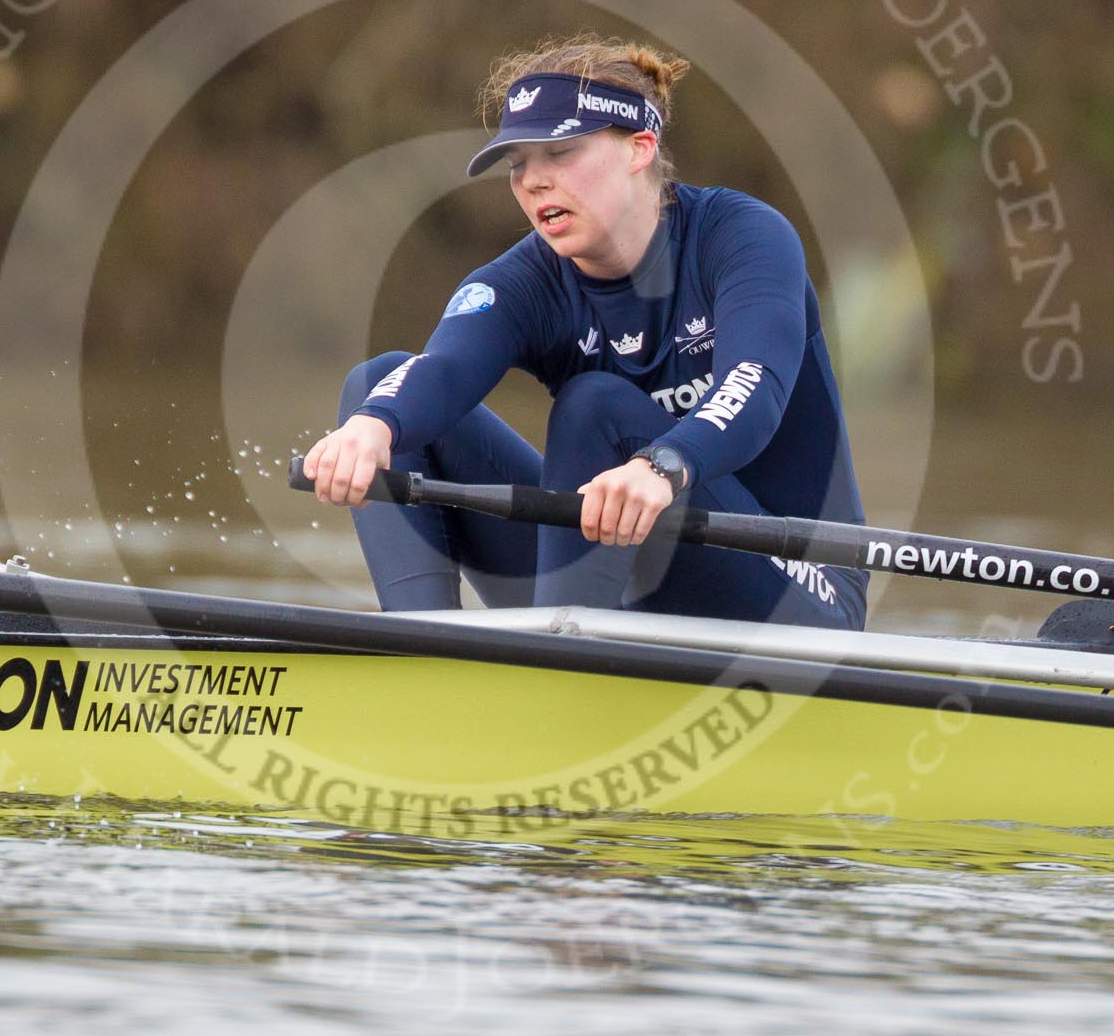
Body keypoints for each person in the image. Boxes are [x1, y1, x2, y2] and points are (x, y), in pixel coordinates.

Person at [301, 36, 868, 629]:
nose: (533, 182)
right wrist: (371, 426)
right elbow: (441, 371)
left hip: (795, 587)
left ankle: (564, 663)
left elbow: (755, 388)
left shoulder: (744, 239)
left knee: (596, 406)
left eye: (561, 153)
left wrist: (664, 464)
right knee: (381, 384)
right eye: (518, 164)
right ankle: (422, 653)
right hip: (608, 578)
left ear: (640, 148)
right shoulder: (523, 284)